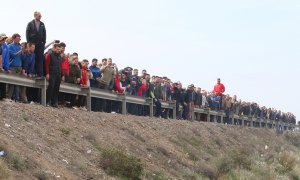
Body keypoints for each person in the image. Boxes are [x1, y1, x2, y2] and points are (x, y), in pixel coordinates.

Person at [7, 34, 28, 103]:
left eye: (19, 39)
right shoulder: (9, 46)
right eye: (18, 38)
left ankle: (17, 99)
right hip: (12, 66)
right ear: (14, 38)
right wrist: (20, 51)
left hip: (19, 67)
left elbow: (23, 58)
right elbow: (12, 55)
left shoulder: (19, 47)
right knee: (11, 83)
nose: (19, 40)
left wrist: (24, 52)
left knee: (18, 83)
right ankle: (8, 98)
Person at [26, 11, 46, 77]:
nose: (40, 17)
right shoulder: (30, 23)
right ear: (35, 16)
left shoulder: (42, 24)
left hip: (40, 44)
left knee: (40, 58)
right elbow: (27, 33)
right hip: (32, 43)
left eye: (41, 16)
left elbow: (44, 33)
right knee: (33, 57)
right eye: (39, 16)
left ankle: (40, 74)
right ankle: (33, 72)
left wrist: (44, 42)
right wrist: (28, 42)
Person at [0, 34, 10, 100]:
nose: (3, 40)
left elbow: (6, 58)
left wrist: (6, 68)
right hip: (0, 66)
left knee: (3, 82)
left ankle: (2, 97)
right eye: (2, 39)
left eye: (4, 39)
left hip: (2, 67)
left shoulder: (6, 47)